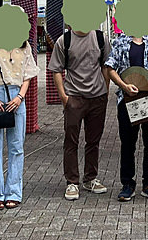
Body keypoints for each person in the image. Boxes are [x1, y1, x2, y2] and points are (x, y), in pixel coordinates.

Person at [48, 26, 112, 201]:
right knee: (71, 140)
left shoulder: (100, 38)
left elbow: (107, 66)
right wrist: (64, 97)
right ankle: (72, 181)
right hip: (74, 96)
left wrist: (105, 90)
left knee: (94, 140)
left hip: (97, 97)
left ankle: (90, 178)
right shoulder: (64, 40)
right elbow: (56, 69)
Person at [0, 38, 39, 211]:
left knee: (17, 147)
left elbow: (27, 75)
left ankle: (13, 192)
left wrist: (20, 97)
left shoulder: (24, 45)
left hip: (17, 96)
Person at [105, 31, 148, 202]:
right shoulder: (121, 41)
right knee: (127, 143)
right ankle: (127, 184)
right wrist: (124, 85)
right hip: (127, 99)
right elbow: (110, 68)